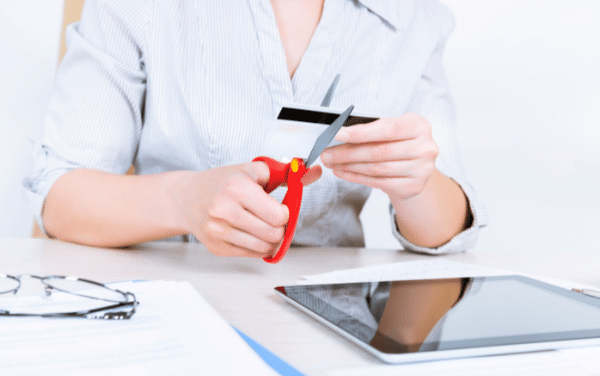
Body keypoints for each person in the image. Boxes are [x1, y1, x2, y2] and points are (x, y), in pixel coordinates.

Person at [23, 0, 486, 258]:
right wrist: (183, 200)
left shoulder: (416, 16)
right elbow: (59, 198)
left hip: (331, 323)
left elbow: (449, 231)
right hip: (172, 306)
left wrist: (415, 187)